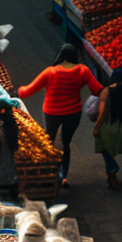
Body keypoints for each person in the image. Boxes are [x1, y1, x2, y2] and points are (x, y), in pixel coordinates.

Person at [18, 44, 104, 187]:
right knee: (65, 143)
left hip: (52, 112)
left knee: (47, 141)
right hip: (73, 113)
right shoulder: (83, 71)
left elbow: (28, 91)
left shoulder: (51, 72)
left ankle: (47, 172)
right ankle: (63, 175)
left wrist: (18, 91)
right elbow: (97, 90)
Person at [92, 67, 122, 190]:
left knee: (104, 149)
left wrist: (96, 128)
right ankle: (112, 172)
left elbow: (101, 114)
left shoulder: (107, 91)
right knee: (110, 150)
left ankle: (112, 171)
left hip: (109, 127)